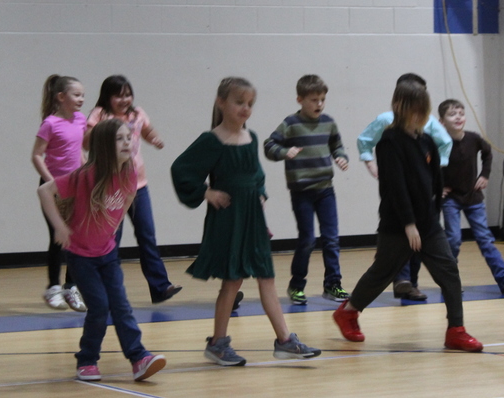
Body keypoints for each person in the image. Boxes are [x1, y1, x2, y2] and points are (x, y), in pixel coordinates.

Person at [171, 77, 321, 367]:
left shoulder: (251, 138)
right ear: (221, 103)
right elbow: (181, 169)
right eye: (239, 102)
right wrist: (206, 192)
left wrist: (260, 196)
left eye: (250, 103)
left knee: (267, 276)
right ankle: (217, 343)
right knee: (232, 281)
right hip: (229, 219)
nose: (245, 108)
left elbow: (257, 176)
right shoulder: (211, 140)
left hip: (252, 217)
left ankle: (285, 341)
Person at [333, 80, 483, 352]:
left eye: (421, 109)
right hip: (398, 225)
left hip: (428, 224)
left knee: (449, 271)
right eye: (412, 109)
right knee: (382, 273)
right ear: (399, 107)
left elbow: (436, 180)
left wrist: (432, 213)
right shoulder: (389, 142)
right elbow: (395, 187)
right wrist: (409, 224)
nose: (417, 114)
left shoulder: (426, 141)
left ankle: (456, 330)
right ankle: (348, 312)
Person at [38, 118, 167, 382]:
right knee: (99, 307)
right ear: (105, 146)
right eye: (119, 139)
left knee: (121, 306)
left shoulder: (129, 173)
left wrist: (113, 226)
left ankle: (138, 357)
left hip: (107, 254)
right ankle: (87, 360)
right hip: (81, 256)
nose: (127, 142)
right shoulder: (84, 176)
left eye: (128, 137)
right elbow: (44, 191)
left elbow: (128, 197)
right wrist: (60, 227)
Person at [85, 75, 181, 304]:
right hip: (110, 188)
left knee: (147, 235)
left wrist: (155, 138)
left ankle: (160, 287)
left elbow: (147, 131)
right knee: (110, 239)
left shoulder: (136, 114)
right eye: (119, 96)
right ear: (108, 97)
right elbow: (85, 142)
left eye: (128, 95)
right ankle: (105, 291)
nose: (125, 100)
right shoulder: (100, 114)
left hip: (138, 186)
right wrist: (101, 132)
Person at [356, 73, 453, 301]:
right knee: (388, 260)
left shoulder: (427, 127)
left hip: (422, 203)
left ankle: (411, 283)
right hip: (397, 203)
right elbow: (365, 141)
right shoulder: (387, 127)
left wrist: (432, 174)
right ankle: (399, 281)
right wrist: (369, 162)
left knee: (424, 249)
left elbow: (445, 143)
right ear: (399, 100)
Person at [263, 74, 350, 306]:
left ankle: (333, 284)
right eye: (314, 100)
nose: (319, 104)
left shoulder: (328, 122)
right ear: (300, 100)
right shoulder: (291, 124)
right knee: (308, 239)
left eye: (322, 99)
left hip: (325, 190)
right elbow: (269, 145)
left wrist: (341, 157)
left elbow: (337, 145)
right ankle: (296, 285)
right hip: (301, 192)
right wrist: (285, 152)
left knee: (331, 239)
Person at [438, 98, 504, 294]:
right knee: (453, 240)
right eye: (452, 114)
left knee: (485, 238)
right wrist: (438, 188)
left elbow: (487, 153)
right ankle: (450, 282)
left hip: (473, 197)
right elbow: (428, 166)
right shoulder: (438, 143)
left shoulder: (473, 138)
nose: (458, 117)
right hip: (451, 199)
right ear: (441, 121)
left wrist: (484, 174)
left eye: (461, 113)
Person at [31, 74, 88, 312]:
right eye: (76, 95)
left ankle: (70, 287)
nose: (81, 99)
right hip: (54, 188)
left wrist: (87, 175)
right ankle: (53, 288)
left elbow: (79, 152)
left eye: (83, 95)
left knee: (76, 239)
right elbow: (36, 155)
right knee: (59, 237)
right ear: (61, 97)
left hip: (76, 187)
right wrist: (52, 182)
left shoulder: (81, 120)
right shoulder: (50, 123)